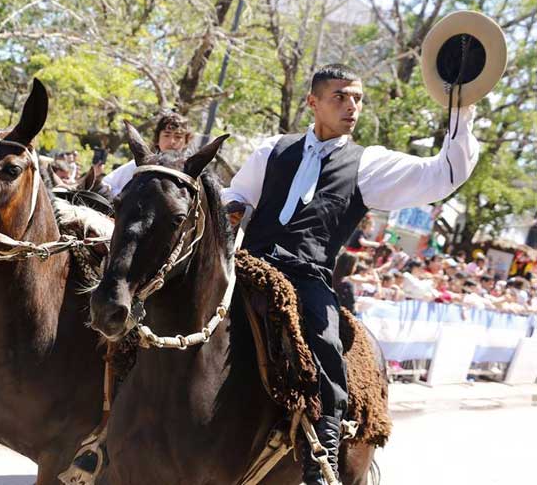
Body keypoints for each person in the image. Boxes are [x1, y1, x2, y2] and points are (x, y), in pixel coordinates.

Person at [223, 64, 479, 484]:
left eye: (357, 98)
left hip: (304, 277)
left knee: (325, 338)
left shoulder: (368, 164)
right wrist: (235, 209)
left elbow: (442, 174)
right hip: (247, 263)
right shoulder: (272, 149)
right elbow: (238, 193)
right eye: (340, 97)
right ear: (313, 103)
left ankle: (321, 454)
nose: (352, 106)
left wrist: (461, 110)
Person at [102, 111, 192, 197]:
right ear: (157, 139)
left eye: (178, 137)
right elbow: (106, 184)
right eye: (167, 135)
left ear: (186, 141)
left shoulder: (189, 172)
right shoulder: (140, 166)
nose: (172, 141)